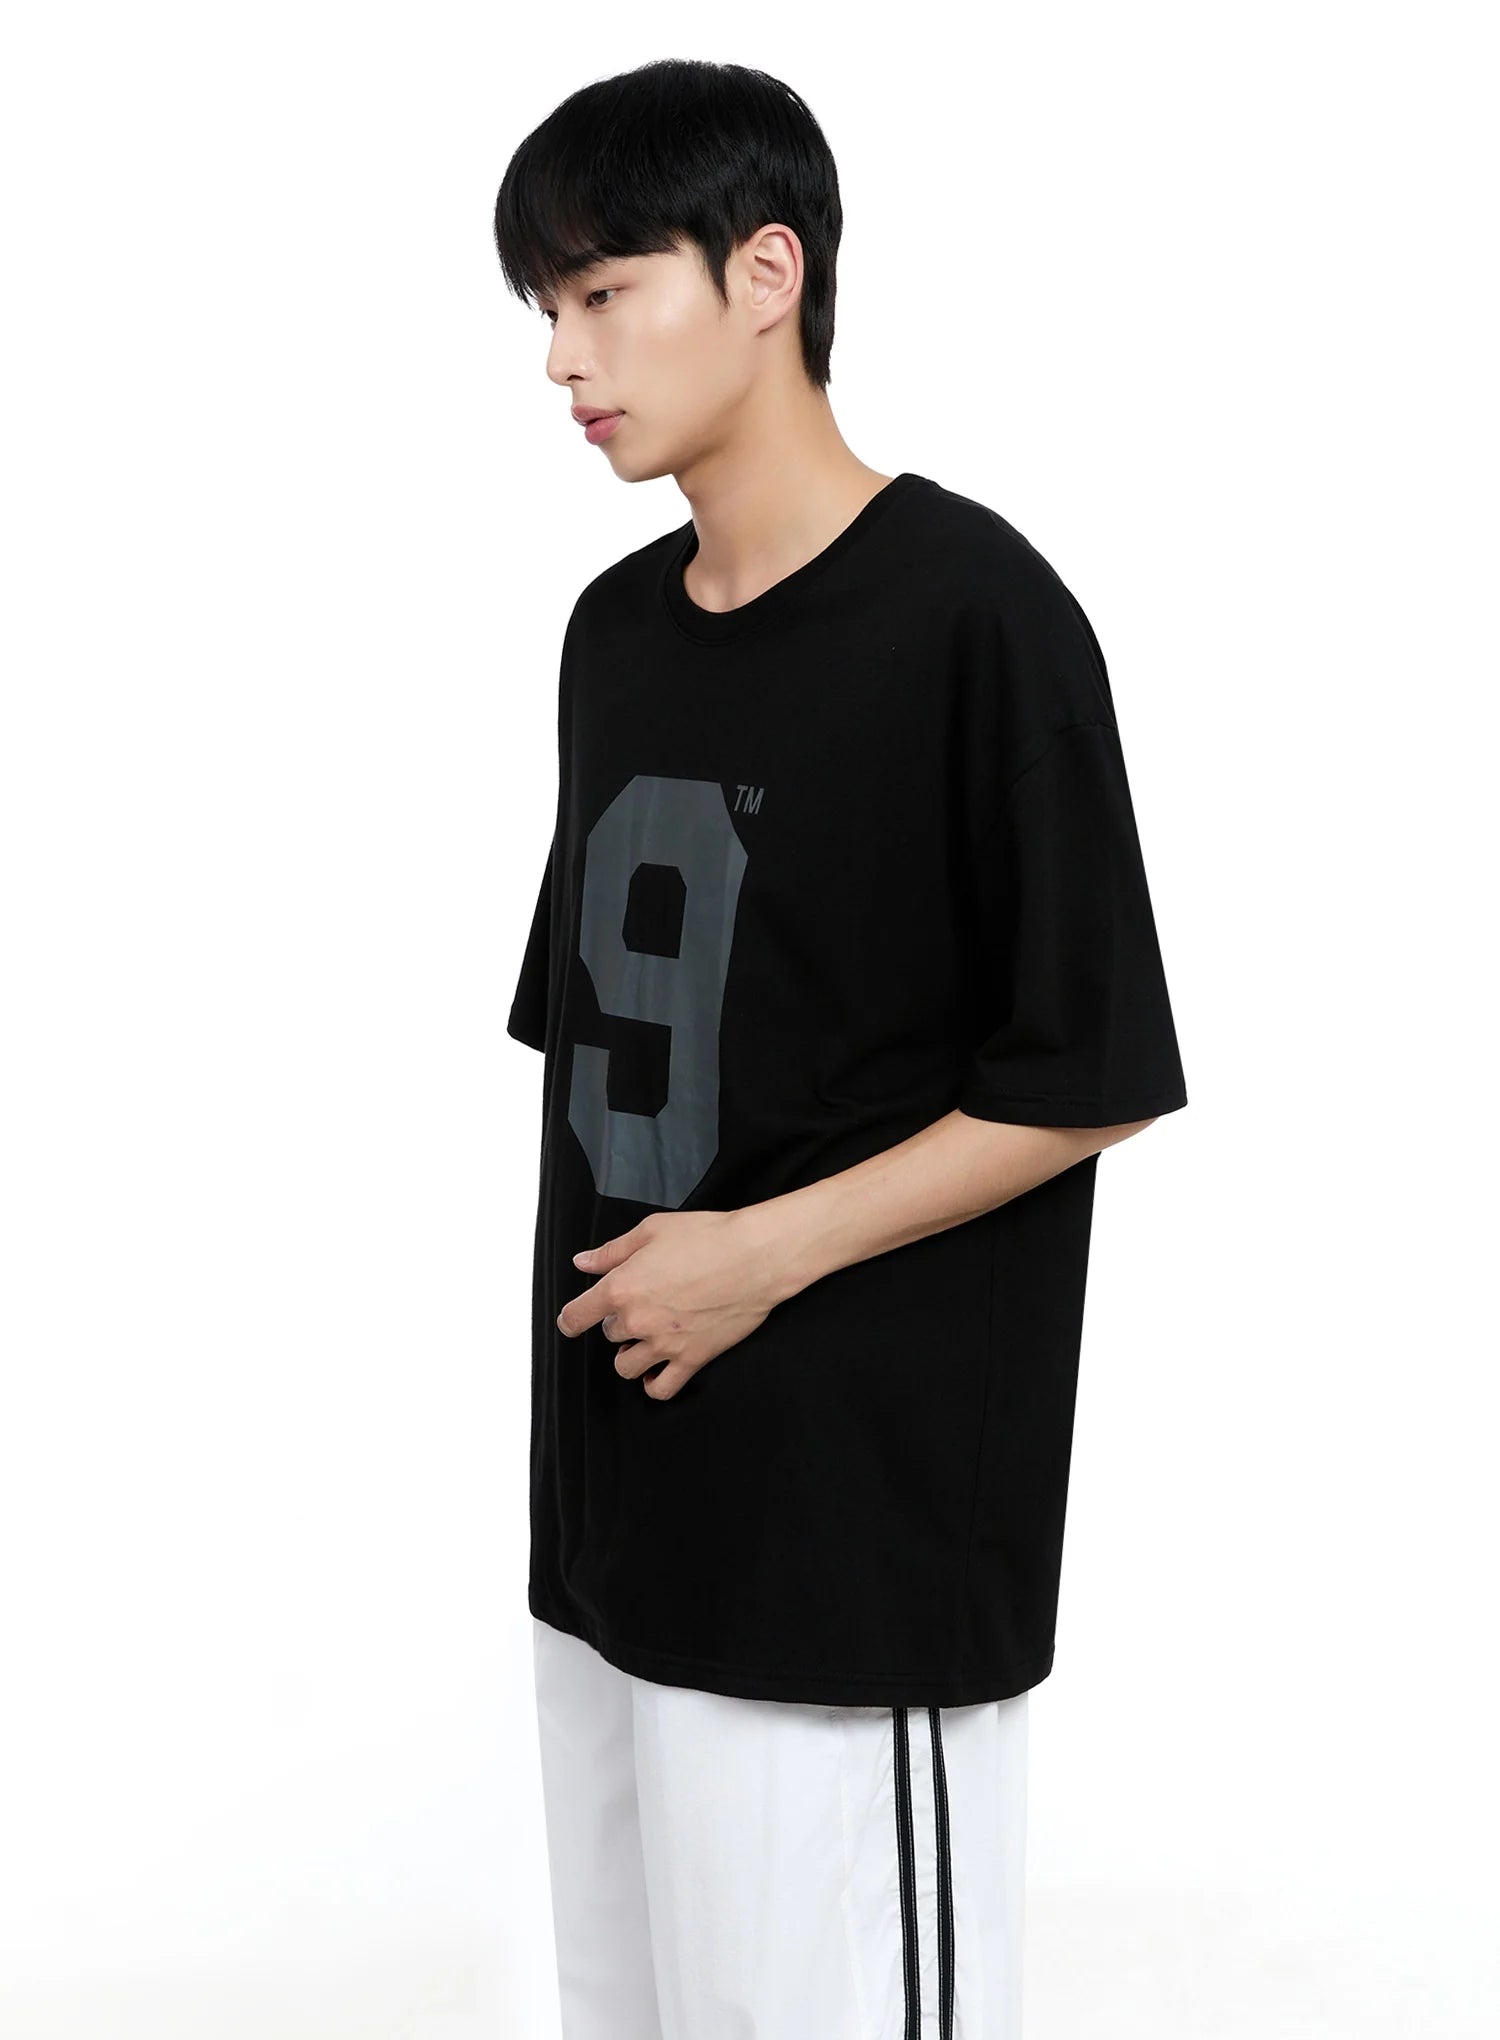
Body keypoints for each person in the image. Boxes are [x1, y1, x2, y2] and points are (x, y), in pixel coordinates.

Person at [494, 57, 1187, 2040]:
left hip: (847, 1554)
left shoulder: (978, 618)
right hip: (616, 1530)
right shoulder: (615, 633)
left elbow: (1089, 1074)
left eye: (604, 291)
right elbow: (610, 1059)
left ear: (767, 274)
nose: (562, 359)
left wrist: (761, 1257)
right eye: (543, 308)